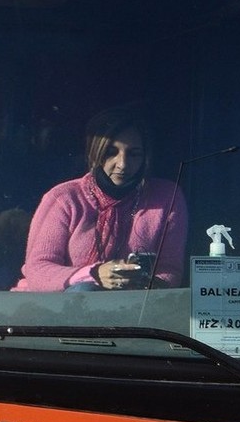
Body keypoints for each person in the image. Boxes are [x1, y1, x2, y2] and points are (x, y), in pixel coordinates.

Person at [12, 107, 188, 291]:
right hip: (46, 310)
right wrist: (94, 275)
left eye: (134, 154)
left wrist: (142, 286)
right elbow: (38, 271)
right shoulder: (64, 198)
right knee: (84, 290)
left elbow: (169, 269)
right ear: (95, 153)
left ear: (145, 158)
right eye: (111, 152)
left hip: (129, 311)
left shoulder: (168, 197)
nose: (123, 164)